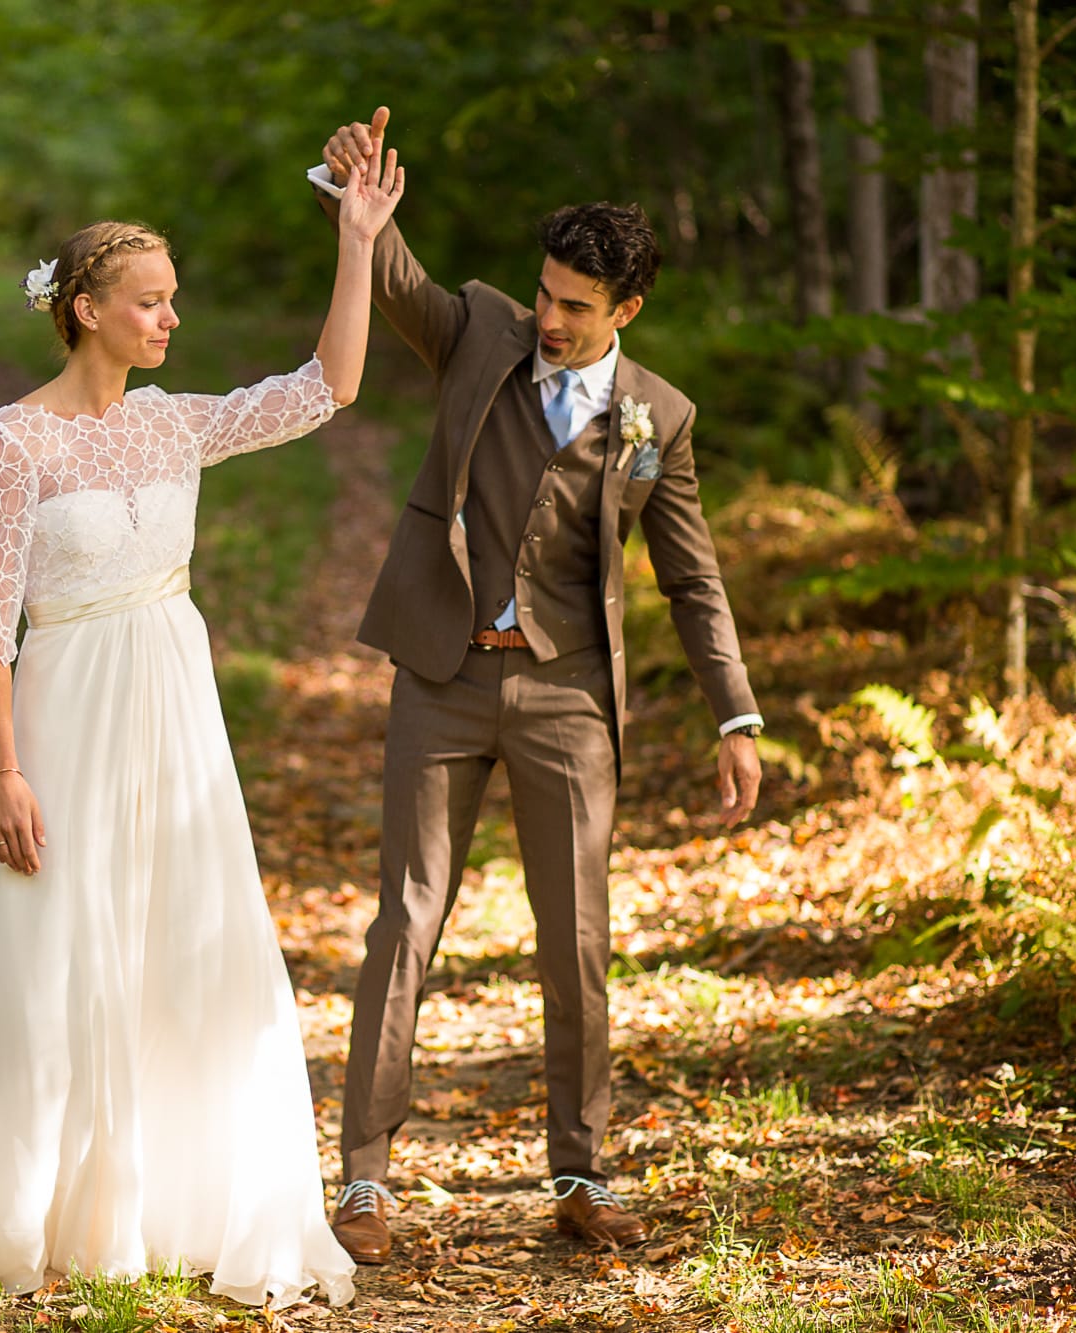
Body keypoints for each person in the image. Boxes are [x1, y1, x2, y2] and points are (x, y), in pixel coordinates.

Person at [0, 150, 404, 1309]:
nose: (170, 316)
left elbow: (326, 387)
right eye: (150, 299)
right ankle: (46, 1203)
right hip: (66, 708)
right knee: (61, 946)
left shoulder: (176, 424)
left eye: (173, 297)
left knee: (190, 937)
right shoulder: (3, 443)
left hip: (175, 711)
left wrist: (358, 242)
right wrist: (2, 770)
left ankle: (175, 1197)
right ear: (85, 310)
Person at [308, 108, 763, 1262]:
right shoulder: (480, 337)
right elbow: (400, 281)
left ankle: (580, 1171)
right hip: (443, 675)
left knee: (576, 941)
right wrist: (353, 206)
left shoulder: (652, 418)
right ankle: (362, 1181)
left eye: (575, 306)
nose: (550, 319)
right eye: (546, 292)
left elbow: (687, 571)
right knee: (403, 920)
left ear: (625, 313)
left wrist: (734, 710)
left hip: (568, 699)